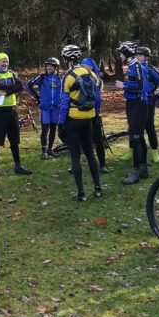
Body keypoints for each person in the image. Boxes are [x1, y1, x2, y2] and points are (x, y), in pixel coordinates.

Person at [57, 45, 102, 201]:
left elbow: (64, 103)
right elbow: (98, 99)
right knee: (90, 152)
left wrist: (60, 123)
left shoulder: (68, 77)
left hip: (73, 120)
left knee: (75, 156)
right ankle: (98, 188)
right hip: (88, 119)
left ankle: (81, 193)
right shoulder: (92, 74)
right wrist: (96, 115)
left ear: (67, 59)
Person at [0, 52, 30, 176]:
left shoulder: (12, 73)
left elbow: (20, 86)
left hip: (12, 108)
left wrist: (8, 91)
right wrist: (12, 87)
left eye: (6, 61)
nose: (5, 63)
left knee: (14, 139)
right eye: (2, 61)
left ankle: (18, 165)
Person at [117, 41, 149, 185]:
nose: (119, 56)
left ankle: (136, 170)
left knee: (136, 137)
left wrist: (123, 85)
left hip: (138, 105)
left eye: (121, 53)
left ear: (127, 53)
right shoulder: (131, 66)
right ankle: (142, 168)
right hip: (132, 104)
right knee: (139, 136)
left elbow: (141, 87)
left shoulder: (136, 66)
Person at [25, 57, 63, 159]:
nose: (49, 68)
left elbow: (65, 90)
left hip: (55, 107)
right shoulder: (42, 77)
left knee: (53, 128)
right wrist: (37, 97)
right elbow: (28, 84)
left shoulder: (60, 77)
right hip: (45, 108)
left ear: (56, 67)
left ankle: (50, 150)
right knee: (45, 129)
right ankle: (44, 152)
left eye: (51, 66)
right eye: (48, 66)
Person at [139, 46, 159, 166]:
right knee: (136, 129)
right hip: (137, 103)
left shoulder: (150, 68)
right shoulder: (134, 68)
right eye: (136, 55)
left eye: (140, 55)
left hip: (149, 103)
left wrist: (157, 97)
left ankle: (154, 153)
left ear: (146, 57)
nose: (138, 57)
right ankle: (133, 151)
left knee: (149, 127)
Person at [81, 55, 108, 172]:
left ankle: (102, 164)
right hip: (81, 114)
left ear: (91, 68)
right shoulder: (79, 78)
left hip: (94, 114)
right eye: (82, 66)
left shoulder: (98, 81)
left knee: (98, 140)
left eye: (85, 66)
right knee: (82, 140)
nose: (83, 68)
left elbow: (96, 97)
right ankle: (78, 164)